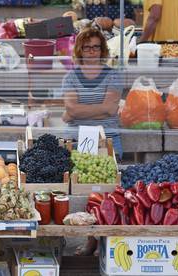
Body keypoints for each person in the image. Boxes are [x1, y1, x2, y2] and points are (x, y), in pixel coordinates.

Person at [61, 27, 123, 256]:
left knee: (106, 193)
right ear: (79, 50)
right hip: (78, 141)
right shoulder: (70, 77)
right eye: (87, 47)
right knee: (83, 188)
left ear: (102, 50)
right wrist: (98, 111)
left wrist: (76, 112)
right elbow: (73, 108)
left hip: (107, 139)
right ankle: (90, 240)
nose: (91, 51)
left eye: (96, 46)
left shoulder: (113, 75)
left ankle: (102, 240)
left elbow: (109, 108)